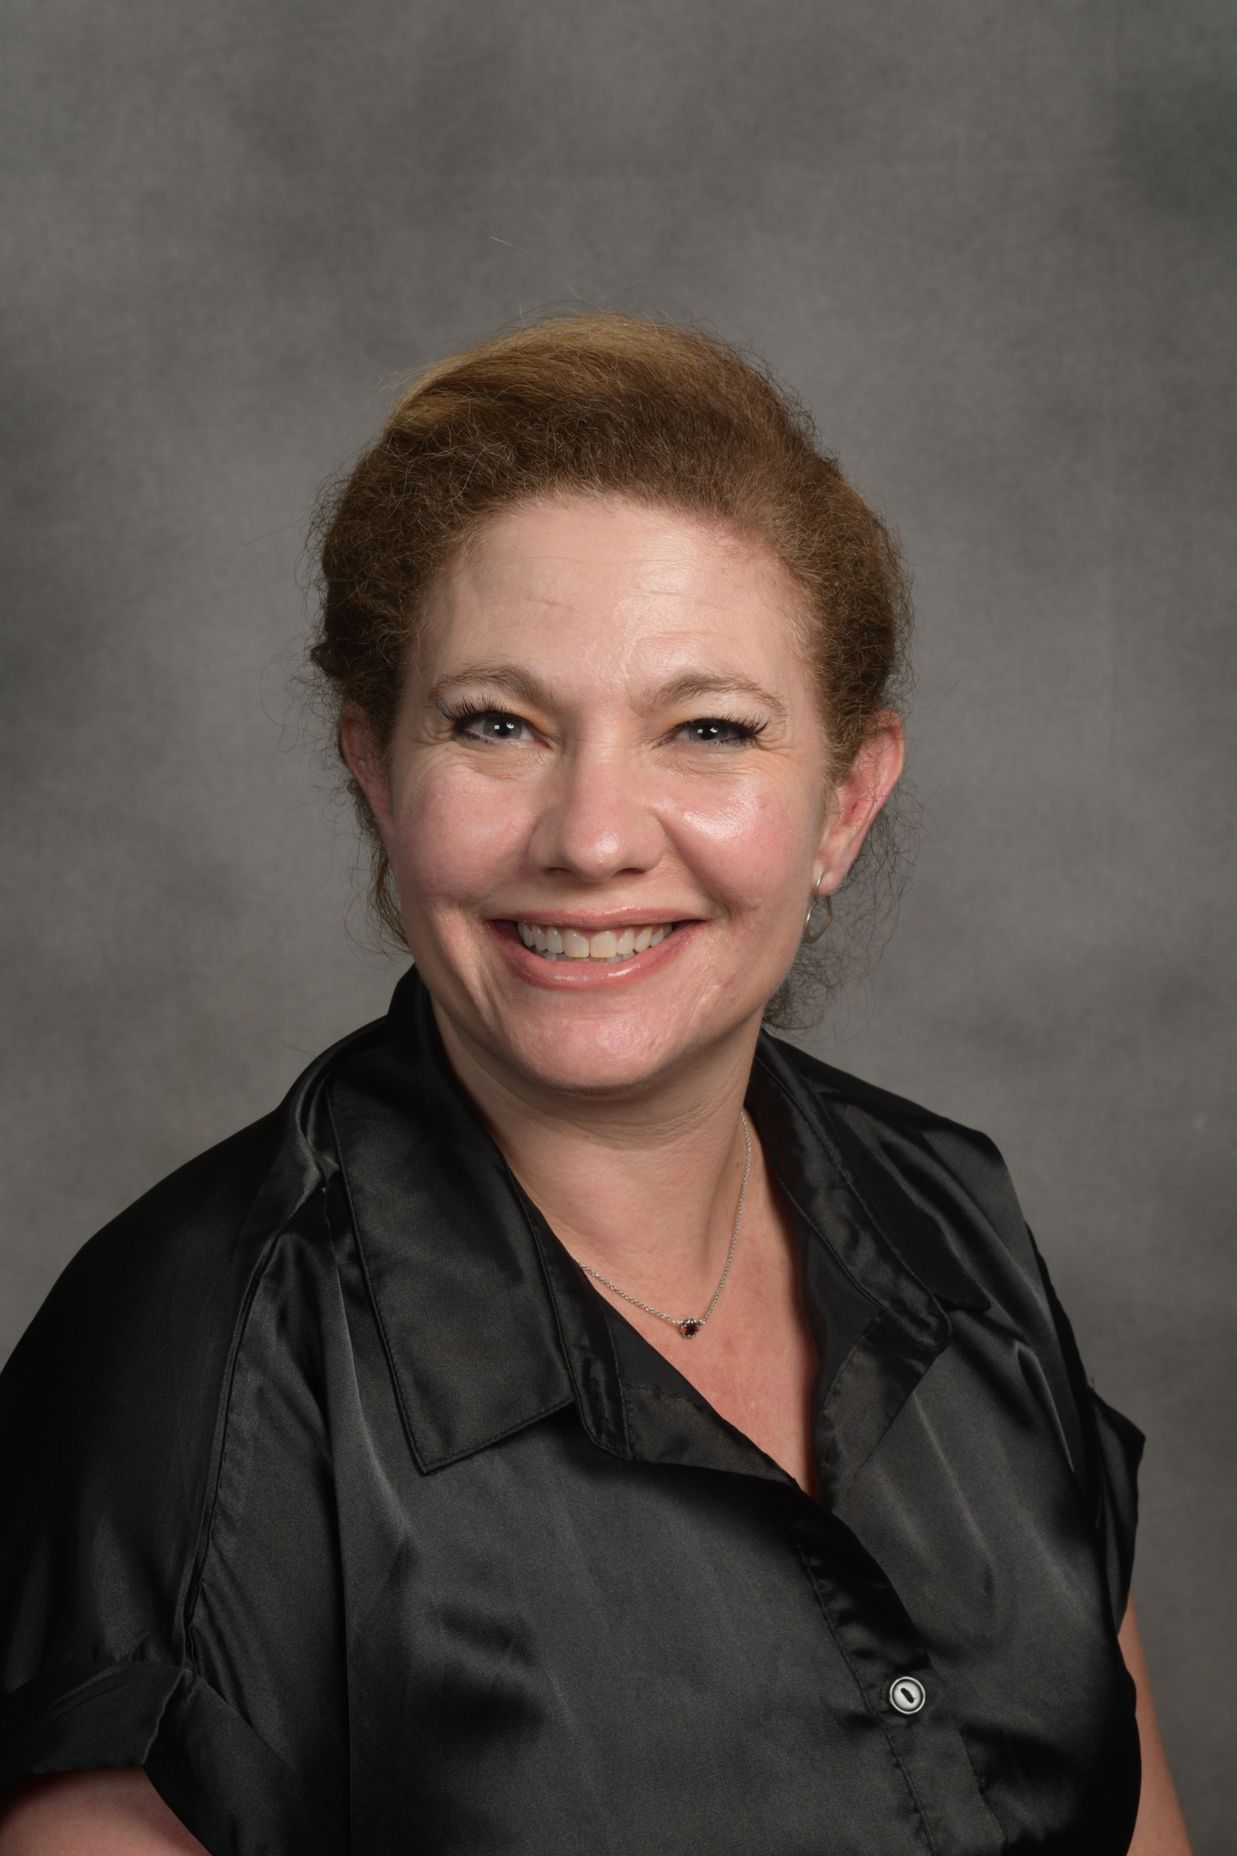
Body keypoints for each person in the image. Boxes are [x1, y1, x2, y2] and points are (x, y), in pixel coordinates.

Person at [0, 313, 1192, 1855]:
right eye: (497, 724)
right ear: (374, 769)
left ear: (843, 802)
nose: (593, 835)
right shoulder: (181, 1377)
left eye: (707, 730)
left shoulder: (949, 1213)